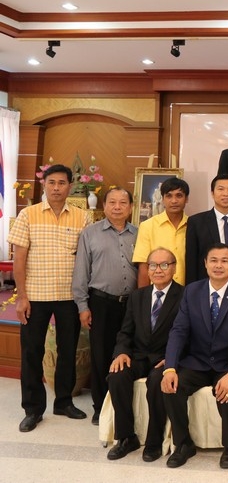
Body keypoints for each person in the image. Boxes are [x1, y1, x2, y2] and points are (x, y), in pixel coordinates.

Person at [10, 163, 92, 432]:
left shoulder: (82, 217)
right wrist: (21, 297)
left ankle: (64, 402)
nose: (56, 188)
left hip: (69, 297)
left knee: (68, 351)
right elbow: (19, 260)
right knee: (31, 352)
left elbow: (87, 260)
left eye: (62, 183)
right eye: (51, 183)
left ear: (70, 186)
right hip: (35, 296)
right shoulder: (28, 215)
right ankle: (33, 409)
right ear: (44, 185)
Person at [161, 243, 228, 469]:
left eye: (225, 261)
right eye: (213, 260)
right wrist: (170, 367)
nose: (218, 265)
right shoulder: (192, 291)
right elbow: (179, 331)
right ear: (205, 264)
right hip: (197, 361)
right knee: (172, 387)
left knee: (227, 393)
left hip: (227, 363)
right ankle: (183, 444)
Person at [106, 248, 184, 462]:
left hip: (165, 359)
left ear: (174, 268)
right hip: (138, 356)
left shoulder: (185, 296)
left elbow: (190, 334)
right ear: (147, 269)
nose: (158, 270)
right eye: (153, 265)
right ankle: (126, 437)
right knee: (117, 376)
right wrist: (121, 352)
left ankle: (154, 441)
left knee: (157, 381)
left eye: (164, 265)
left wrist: (173, 359)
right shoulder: (137, 296)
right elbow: (125, 331)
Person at [72, 187, 138, 424]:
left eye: (123, 202)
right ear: (104, 205)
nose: (117, 207)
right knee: (101, 356)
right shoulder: (90, 233)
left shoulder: (139, 234)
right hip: (101, 303)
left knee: (128, 353)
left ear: (131, 207)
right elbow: (81, 271)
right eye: (112, 202)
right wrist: (82, 306)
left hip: (132, 305)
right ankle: (100, 407)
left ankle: (123, 405)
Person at [185, 174, 228, 284]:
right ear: (212, 193)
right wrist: (192, 289)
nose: (226, 193)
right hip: (207, 284)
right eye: (221, 189)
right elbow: (191, 261)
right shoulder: (196, 222)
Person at [133, 177, 190, 286]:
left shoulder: (193, 225)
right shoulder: (147, 226)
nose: (174, 201)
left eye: (179, 195)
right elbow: (143, 266)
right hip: (157, 291)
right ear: (162, 199)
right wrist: (144, 295)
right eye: (169, 196)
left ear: (186, 199)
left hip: (187, 290)